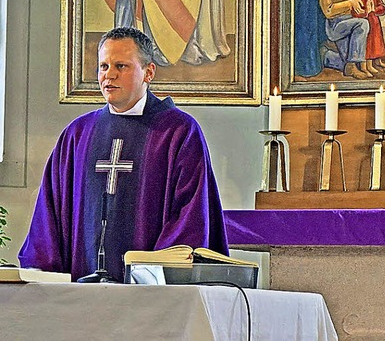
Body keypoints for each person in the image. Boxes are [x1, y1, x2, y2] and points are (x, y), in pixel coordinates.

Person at [18, 27, 229, 282]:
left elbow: (190, 216)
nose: (109, 76)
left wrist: (154, 275)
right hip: (79, 296)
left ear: (148, 72)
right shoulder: (77, 135)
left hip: (151, 299)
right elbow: (48, 214)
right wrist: (44, 278)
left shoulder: (178, 133)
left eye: (121, 66)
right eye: (104, 66)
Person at [351, 0, 385, 76]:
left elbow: (383, 8)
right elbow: (355, 13)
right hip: (364, 26)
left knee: (373, 46)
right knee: (365, 45)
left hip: (375, 25)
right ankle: (363, 67)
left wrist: (374, 10)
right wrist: (366, 11)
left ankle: (370, 66)